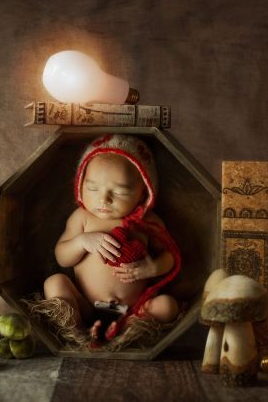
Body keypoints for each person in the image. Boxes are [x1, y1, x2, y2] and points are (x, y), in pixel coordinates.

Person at [43, 134, 181, 343]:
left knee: (167, 306)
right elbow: (62, 257)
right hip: (86, 306)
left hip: (133, 309)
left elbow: (169, 256)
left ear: (143, 193)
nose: (103, 199)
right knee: (54, 283)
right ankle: (79, 332)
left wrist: (152, 268)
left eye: (120, 192)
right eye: (92, 188)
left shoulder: (148, 222)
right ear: (80, 185)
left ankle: (125, 331)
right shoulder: (82, 218)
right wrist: (81, 241)